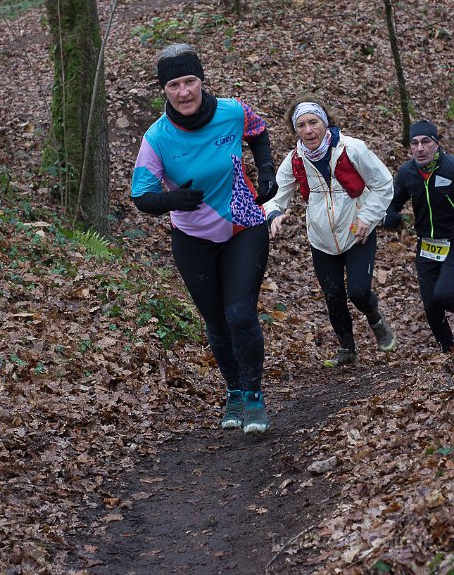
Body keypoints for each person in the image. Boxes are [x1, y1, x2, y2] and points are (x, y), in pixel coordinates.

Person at [131, 43, 278, 433]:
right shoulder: (156, 138)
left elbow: (258, 131)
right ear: (164, 89)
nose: (184, 92)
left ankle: (254, 397)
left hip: (244, 226)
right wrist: (170, 200)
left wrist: (266, 169)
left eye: (190, 81)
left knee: (240, 314)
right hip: (192, 238)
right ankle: (234, 392)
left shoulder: (232, 111)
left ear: (201, 80)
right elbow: (141, 196)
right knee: (216, 322)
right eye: (174, 85)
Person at [264, 97, 397, 366]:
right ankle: (347, 350)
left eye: (313, 122)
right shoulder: (295, 160)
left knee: (358, 292)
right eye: (301, 125)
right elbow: (275, 196)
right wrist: (274, 214)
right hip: (321, 238)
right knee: (333, 296)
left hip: (357, 231)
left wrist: (367, 217)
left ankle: (376, 319)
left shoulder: (352, 148)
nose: (308, 130)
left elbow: (383, 184)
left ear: (325, 122)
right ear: (295, 130)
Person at [384, 119, 454, 353]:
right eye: (414, 143)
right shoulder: (407, 172)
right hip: (426, 245)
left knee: (445, 294)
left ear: (436, 144)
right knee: (431, 304)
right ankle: (449, 351)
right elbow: (394, 202)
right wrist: (391, 216)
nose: (420, 148)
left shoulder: (451, 168)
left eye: (426, 142)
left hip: (452, 241)